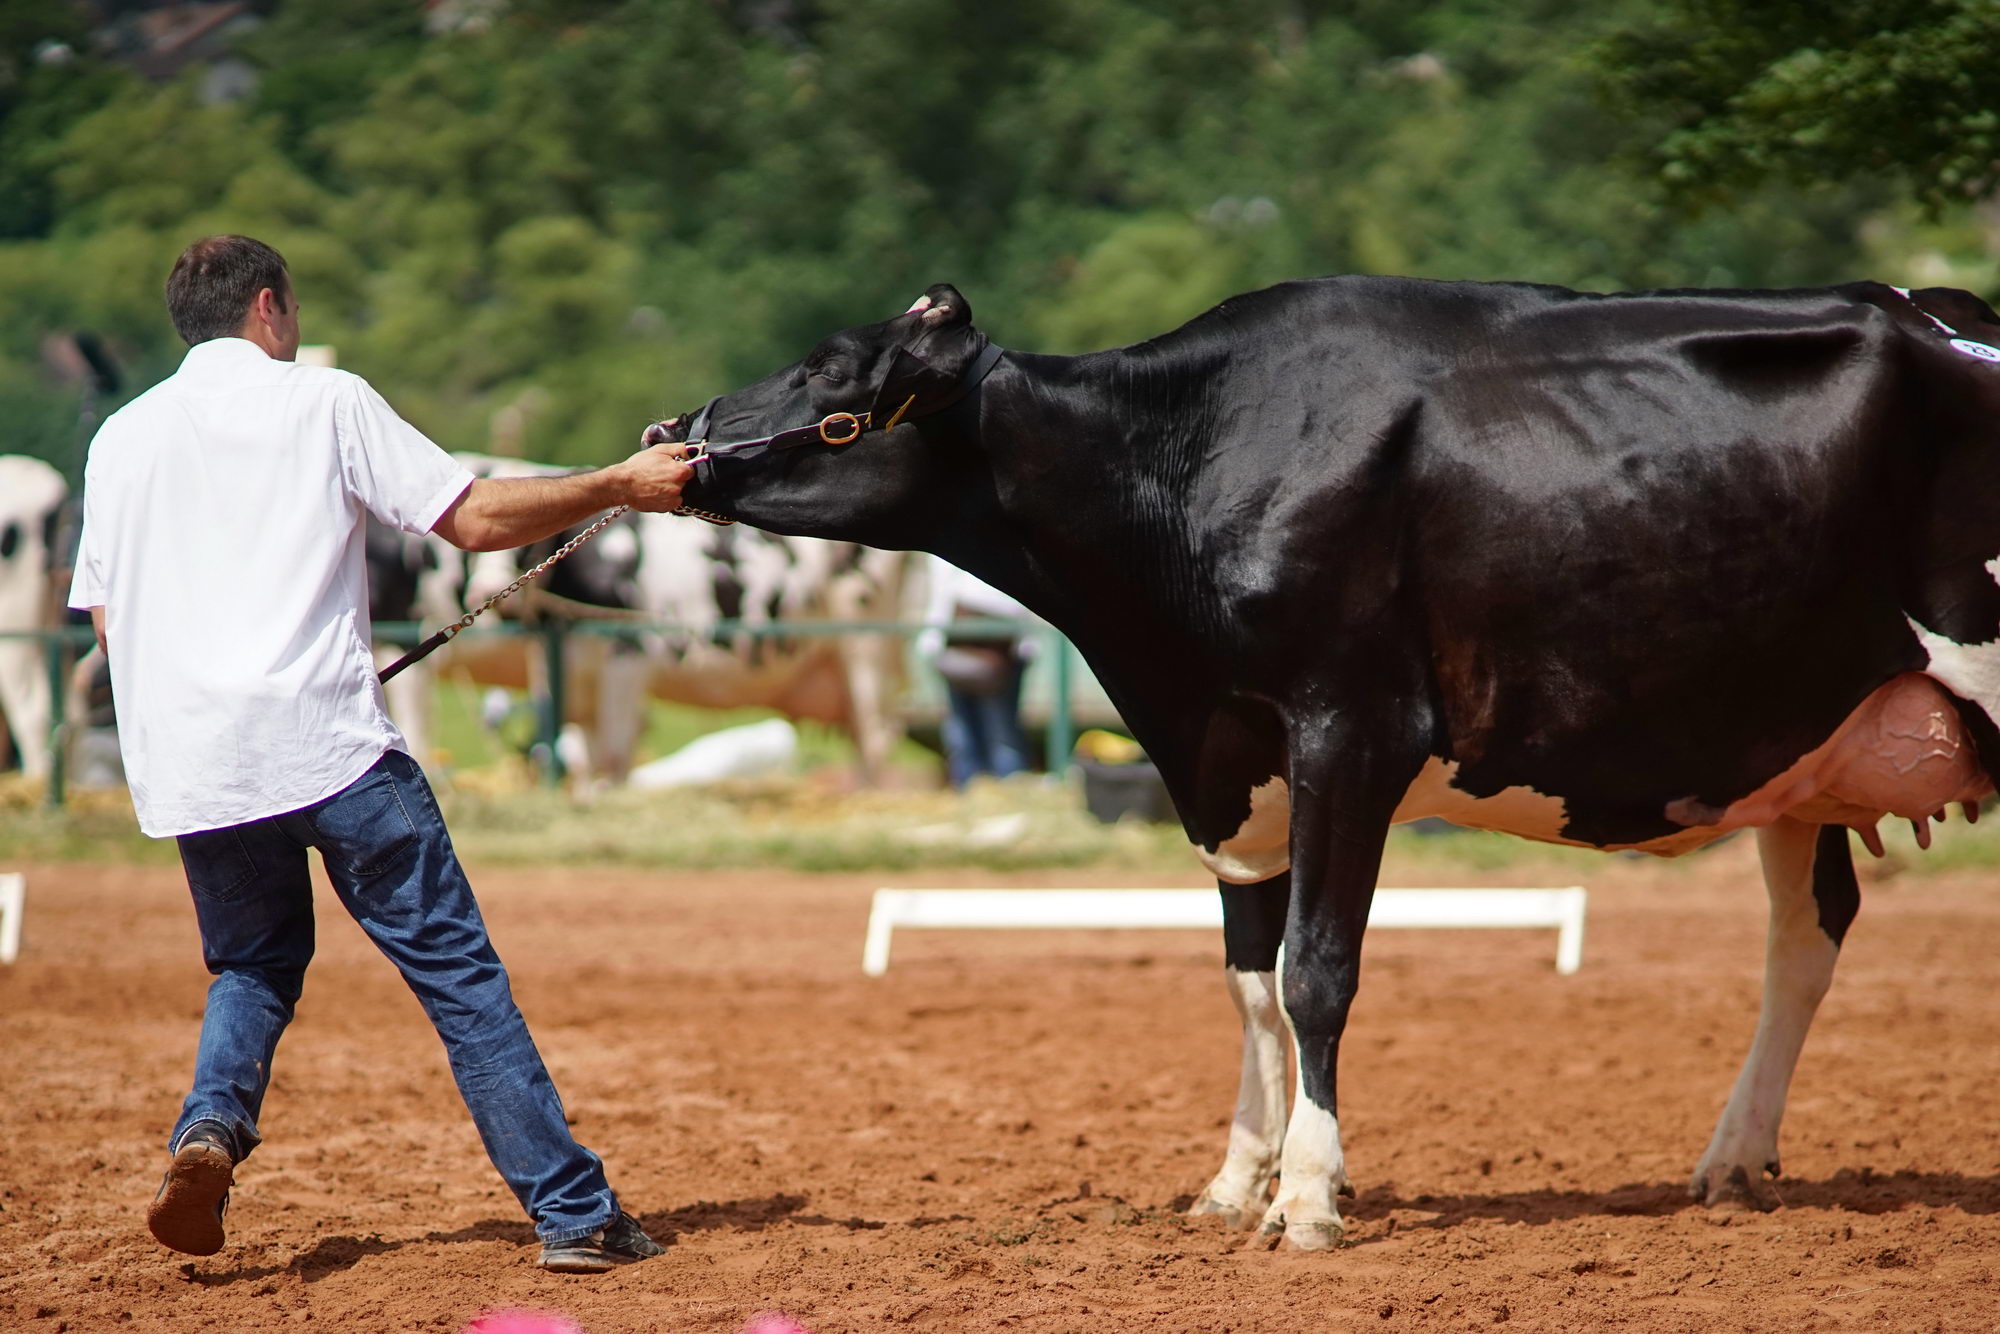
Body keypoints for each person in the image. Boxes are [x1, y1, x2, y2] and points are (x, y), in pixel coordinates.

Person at [68, 235, 691, 1274]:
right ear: (268, 307)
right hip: (332, 750)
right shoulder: (324, 399)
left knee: (252, 966)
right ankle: (575, 1215)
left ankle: (209, 1129)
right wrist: (620, 480)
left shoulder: (119, 439)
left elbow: (104, 623)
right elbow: (476, 517)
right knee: (460, 980)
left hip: (200, 765)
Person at [916, 554, 1033, 787]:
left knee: (999, 733)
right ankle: (971, 791)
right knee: (962, 733)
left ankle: (1008, 792)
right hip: (962, 645)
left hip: (1004, 646)